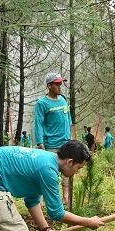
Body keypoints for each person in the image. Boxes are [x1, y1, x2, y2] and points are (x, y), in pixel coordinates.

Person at [34, 72, 72, 205]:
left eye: (61, 83)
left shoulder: (63, 99)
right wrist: (40, 142)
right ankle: (46, 199)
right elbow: (38, 123)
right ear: (49, 86)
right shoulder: (42, 103)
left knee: (67, 170)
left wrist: (70, 137)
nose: (60, 86)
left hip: (65, 142)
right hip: (50, 144)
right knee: (50, 172)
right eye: (57, 84)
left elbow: (68, 118)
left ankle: (66, 198)